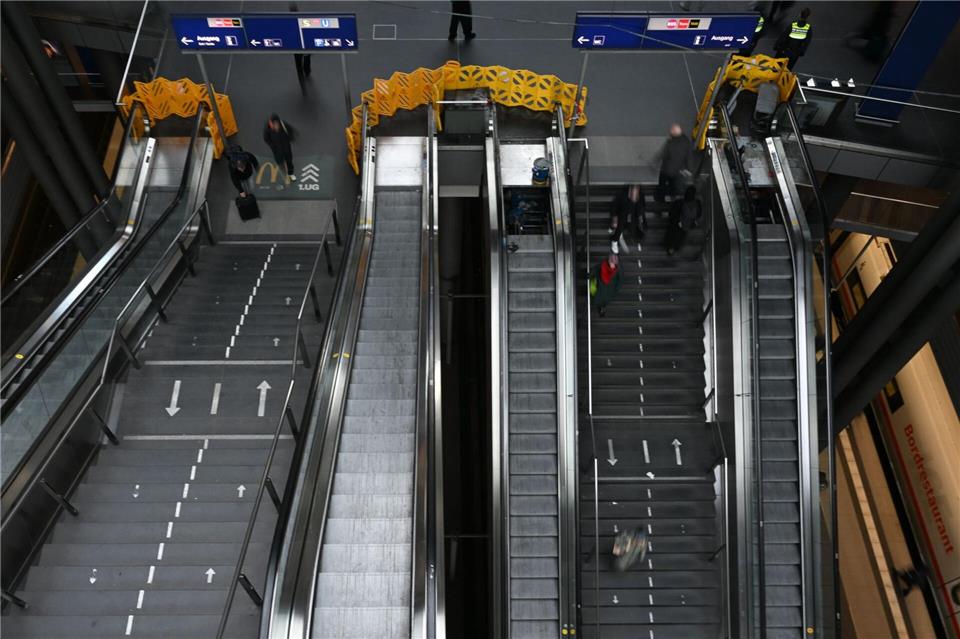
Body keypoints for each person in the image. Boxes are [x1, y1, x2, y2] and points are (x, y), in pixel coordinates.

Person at [655, 124, 692, 204]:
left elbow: (662, 154)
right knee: (673, 186)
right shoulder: (686, 142)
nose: (670, 132)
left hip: (666, 169)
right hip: (676, 171)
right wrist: (688, 169)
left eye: (671, 131)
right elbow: (688, 157)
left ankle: (661, 200)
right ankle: (673, 198)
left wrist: (655, 162)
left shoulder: (670, 143)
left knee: (662, 185)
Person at [609, 184, 647, 254]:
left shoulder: (640, 196)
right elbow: (614, 207)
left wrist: (640, 217)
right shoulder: (622, 195)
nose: (634, 197)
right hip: (622, 216)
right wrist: (614, 218)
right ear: (630, 190)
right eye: (633, 195)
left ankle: (636, 239)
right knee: (620, 224)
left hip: (633, 216)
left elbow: (642, 207)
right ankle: (615, 240)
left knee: (638, 228)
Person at [664, 186, 702, 256]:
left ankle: (673, 247)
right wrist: (678, 222)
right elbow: (673, 215)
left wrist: (695, 223)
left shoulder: (697, 203)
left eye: (691, 194)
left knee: (681, 233)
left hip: (690, 224)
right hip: (680, 224)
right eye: (689, 193)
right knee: (677, 232)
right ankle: (672, 247)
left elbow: (699, 215)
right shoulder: (679, 203)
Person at [263, 113, 296, 183]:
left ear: (278, 122)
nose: (274, 125)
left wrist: (289, 140)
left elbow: (291, 131)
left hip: (286, 149)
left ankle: (290, 173)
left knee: (289, 161)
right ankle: (285, 176)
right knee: (280, 164)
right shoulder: (267, 129)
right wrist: (272, 146)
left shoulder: (284, 125)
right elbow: (266, 138)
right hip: (277, 151)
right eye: (272, 123)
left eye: (275, 123)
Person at [590, 253, 622, 317]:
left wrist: (591, 276)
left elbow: (618, 283)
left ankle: (614, 252)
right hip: (604, 281)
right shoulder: (606, 299)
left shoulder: (607, 299)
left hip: (605, 280)